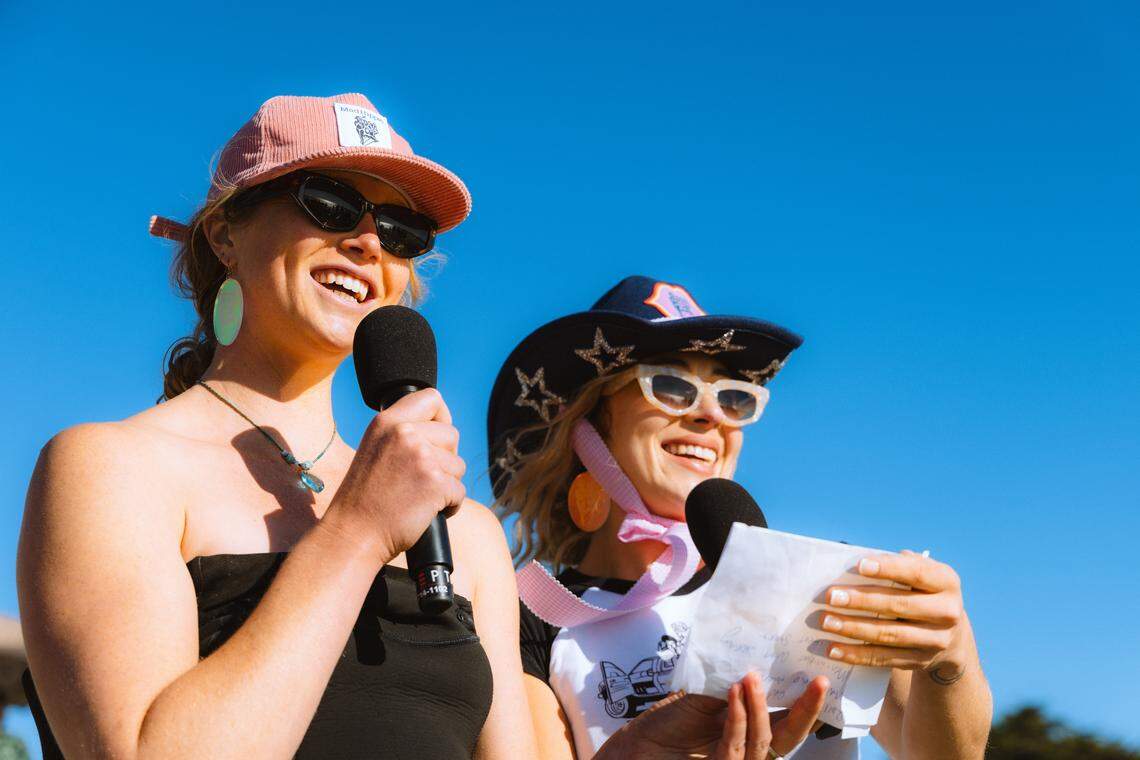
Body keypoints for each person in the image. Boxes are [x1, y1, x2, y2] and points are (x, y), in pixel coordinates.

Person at [17, 93, 534, 759]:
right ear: (224, 234)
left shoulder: (467, 531)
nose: (368, 241)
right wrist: (356, 534)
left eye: (403, 230)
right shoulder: (111, 469)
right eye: (330, 202)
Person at [488, 276, 993, 759]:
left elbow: (940, 754)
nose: (711, 416)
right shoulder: (531, 620)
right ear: (587, 427)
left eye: (732, 397)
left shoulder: (825, 580)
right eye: (669, 385)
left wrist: (949, 656)